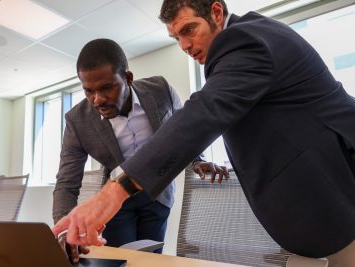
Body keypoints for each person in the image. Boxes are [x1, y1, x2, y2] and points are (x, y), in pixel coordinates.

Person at [53, 1, 355, 266]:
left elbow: (199, 116)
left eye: (189, 30)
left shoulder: (246, 40)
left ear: (216, 11)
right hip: (317, 212)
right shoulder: (77, 120)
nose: (184, 45)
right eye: (176, 38)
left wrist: (114, 191)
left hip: (337, 199)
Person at [52, 38, 228, 263]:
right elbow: (67, 182)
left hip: (158, 195)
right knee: (120, 260)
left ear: (127, 78)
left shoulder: (160, 90)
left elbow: (183, 131)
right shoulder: (77, 121)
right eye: (88, 91)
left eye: (106, 88)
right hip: (115, 203)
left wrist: (197, 159)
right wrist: (64, 229)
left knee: (151, 260)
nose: (97, 100)